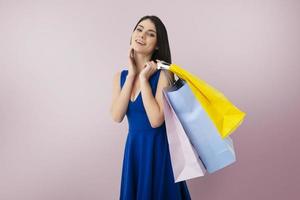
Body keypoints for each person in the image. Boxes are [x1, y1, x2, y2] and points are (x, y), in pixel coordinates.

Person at [110, 15, 192, 200]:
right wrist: (132, 75)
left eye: (150, 34)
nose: (142, 36)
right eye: (139, 30)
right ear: (132, 35)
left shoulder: (164, 75)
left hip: (158, 150)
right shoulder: (120, 77)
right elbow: (116, 116)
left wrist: (143, 79)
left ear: (157, 45)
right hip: (135, 150)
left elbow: (156, 120)